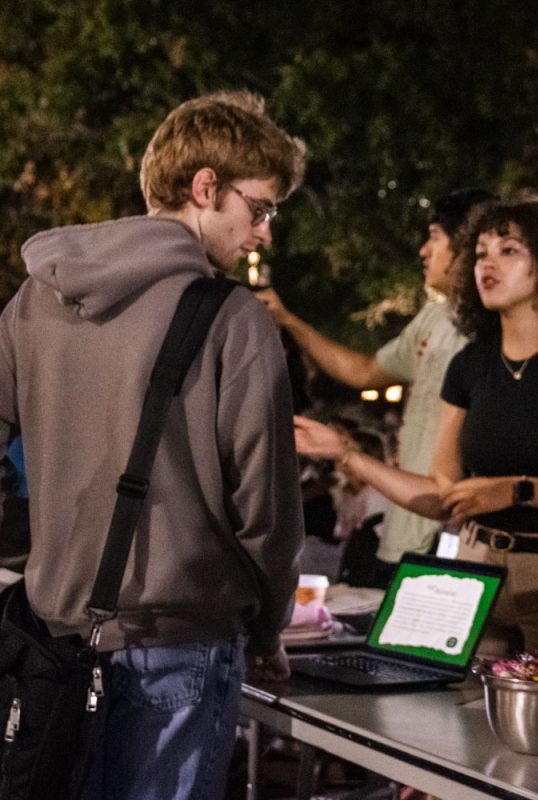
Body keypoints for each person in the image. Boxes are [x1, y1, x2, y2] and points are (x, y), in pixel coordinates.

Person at [0, 91, 306, 799]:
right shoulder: (235, 320)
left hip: (57, 642)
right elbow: (269, 509)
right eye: (259, 209)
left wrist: (35, 548)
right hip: (182, 643)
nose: (262, 234)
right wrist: (269, 629)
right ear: (206, 187)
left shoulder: (36, 298)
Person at [295, 195, 538, 663]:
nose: (487, 263)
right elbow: (446, 496)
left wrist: (519, 492)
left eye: (508, 250)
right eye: (480, 253)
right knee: (462, 723)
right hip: (474, 570)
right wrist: (346, 455)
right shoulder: (469, 365)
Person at [257, 188, 493, 566]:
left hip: (456, 534)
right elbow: (365, 372)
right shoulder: (433, 319)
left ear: (467, 248)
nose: (423, 251)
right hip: (407, 522)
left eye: (434, 237)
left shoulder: (497, 333)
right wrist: (287, 320)